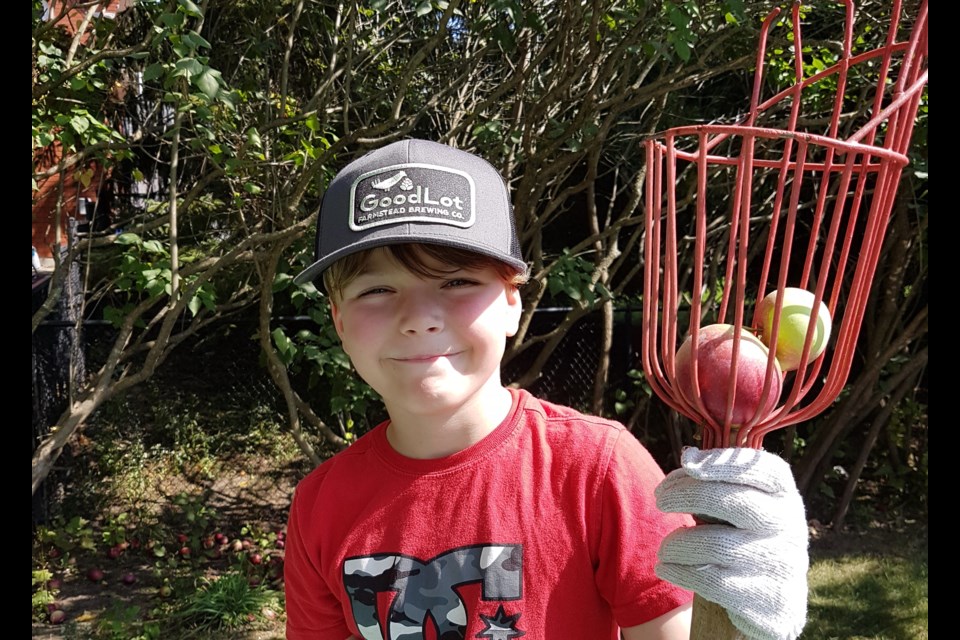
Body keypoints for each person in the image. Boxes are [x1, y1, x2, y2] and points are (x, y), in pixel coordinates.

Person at [283, 138, 809, 640]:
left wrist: (745, 623)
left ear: (513, 301)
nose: (419, 317)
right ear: (339, 321)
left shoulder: (597, 470)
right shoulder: (320, 507)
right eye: (377, 289)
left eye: (457, 281)